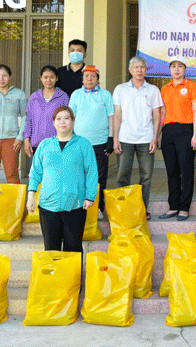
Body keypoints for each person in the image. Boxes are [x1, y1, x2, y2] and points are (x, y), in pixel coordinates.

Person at [26, 106, 98, 252]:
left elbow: (92, 171)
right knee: (51, 249)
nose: (62, 122)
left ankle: (73, 275)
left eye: (66, 118)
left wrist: (90, 196)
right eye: (58, 119)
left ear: (73, 121)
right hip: (48, 206)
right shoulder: (45, 145)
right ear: (53, 122)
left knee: (73, 248)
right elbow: (35, 172)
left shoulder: (83, 144)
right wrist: (30, 196)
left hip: (75, 204)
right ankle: (54, 275)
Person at [113, 56, 163, 218]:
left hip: (146, 139)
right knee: (122, 175)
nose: (139, 70)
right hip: (125, 138)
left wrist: (155, 138)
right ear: (130, 70)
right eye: (136, 67)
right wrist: (115, 139)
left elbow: (157, 116)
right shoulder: (120, 89)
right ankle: (124, 208)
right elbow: (117, 115)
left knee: (146, 175)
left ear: (146, 70)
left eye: (142, 67)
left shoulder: (153, 90)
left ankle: (142, 209)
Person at [158, 57, 196, 221]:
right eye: (173, 66)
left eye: (180, 66)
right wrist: (159, 136)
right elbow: (162, 114)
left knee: (186, 170)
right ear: (170, 69)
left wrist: (195, 134)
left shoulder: (192, 86)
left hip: (186, 130)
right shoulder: (165, 88)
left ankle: (184, 207)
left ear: (185, 69)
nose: (176, 69)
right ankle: (173, 206)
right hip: (168, 131)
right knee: (171, 171)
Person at [68, 65, 114, 218]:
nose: (89, 79)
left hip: (100, 142)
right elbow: (70, 117)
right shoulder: (76, 94)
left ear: (97, 79)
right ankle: (79, 205)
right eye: (86, 76)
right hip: (80, 143)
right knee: (79, 174)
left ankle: (99, 207)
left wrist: (111, 138)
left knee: (100, 176)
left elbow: (111, 117)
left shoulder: (105, 95)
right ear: (82, 78)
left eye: (93, 76)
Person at [23, 66, 69, 158]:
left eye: (52, 77)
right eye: (45, 77)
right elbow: (28, 119)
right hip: (38, 142)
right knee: (40, 171)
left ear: (56, 78)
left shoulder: (63, 96)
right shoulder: (34, 97)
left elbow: (68, 120)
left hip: (58, 142)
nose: (49, 80)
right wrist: (26, 138)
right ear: (41, 78)